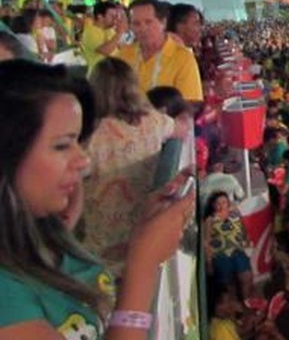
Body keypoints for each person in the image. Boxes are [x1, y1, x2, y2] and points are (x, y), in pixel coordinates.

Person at [0, 59, 193, 339]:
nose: (82, 160)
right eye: (62, 145)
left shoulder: (45, 234)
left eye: (79, 140)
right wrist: (142, 263)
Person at [82, 57, 180, 276]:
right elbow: (180, 130)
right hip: (146, 241)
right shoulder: (154, 121)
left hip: (102, 251)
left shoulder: (90, 139)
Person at [117, 0, 203, 102]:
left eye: (148, 22)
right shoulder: (123, 55)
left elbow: (191, 103)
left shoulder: (183, 58)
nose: (142, 29)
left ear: (163, 22)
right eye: (136, 24)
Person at [203, 191, 253, 300]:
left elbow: (243, 230)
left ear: (228, 203)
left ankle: (247, 302)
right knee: (227, 285)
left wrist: (247, 241)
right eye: (218, 203)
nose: (221, 206)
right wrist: (209, 262)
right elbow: (207, 242)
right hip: (221, 255)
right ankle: (232, 307)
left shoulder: (235, 214)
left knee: (247, 277)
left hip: (238, 251)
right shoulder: (210, 220)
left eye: (224, 202)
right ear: (213, 205)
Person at [81, 1, 125, 74]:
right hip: (99, 76)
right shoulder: (90, 31)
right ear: (100, 16)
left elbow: (121, 47)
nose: (115, 19)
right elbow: (105, 51)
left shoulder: (110, 30)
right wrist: (119, 33)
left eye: (116, 16)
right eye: (112, 16)